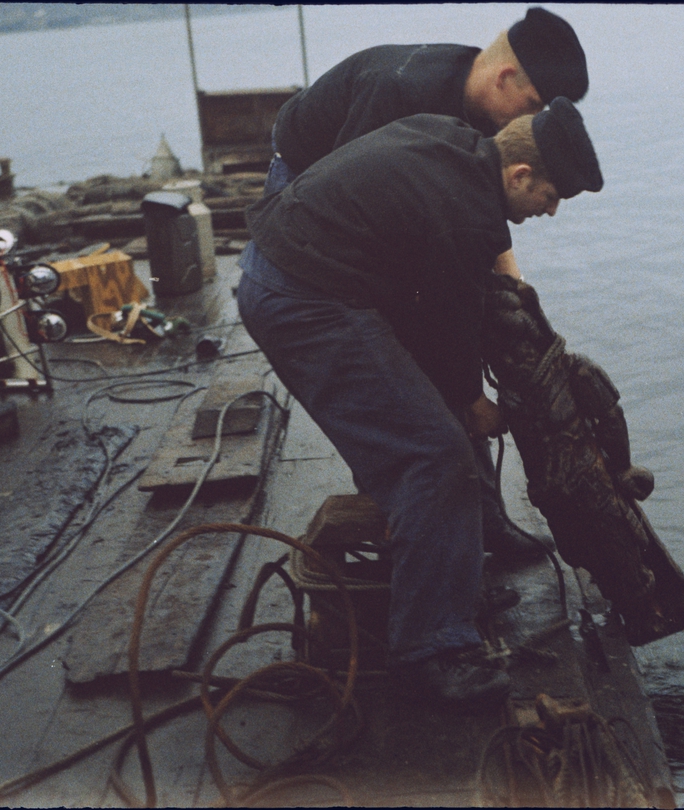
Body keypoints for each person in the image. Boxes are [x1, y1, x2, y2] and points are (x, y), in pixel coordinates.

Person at [237, 99, 603, 702]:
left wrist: (462, 394)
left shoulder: (456, 143)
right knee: (434, 456)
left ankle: (451, 574)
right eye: (551, 195)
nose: (551, 210)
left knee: (431, 433)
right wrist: (472, 403)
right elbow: (445, 328)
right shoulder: (466, 216)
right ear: (519, 175)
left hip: (297, 264)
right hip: (303, 298)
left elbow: (438, 308)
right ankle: (431, 648)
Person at [243, 6, 589, 560]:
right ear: (506, 78)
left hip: (396, 203)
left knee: (452, 350)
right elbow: (357, 214)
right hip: (316, 196)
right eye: (534, 107)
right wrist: (456, 382)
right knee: (395, 376)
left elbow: (479, 210)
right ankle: (410, 515)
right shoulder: (398, 93)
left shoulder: (481, 113)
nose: (532, 121)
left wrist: (512, 287)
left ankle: (483, 519)